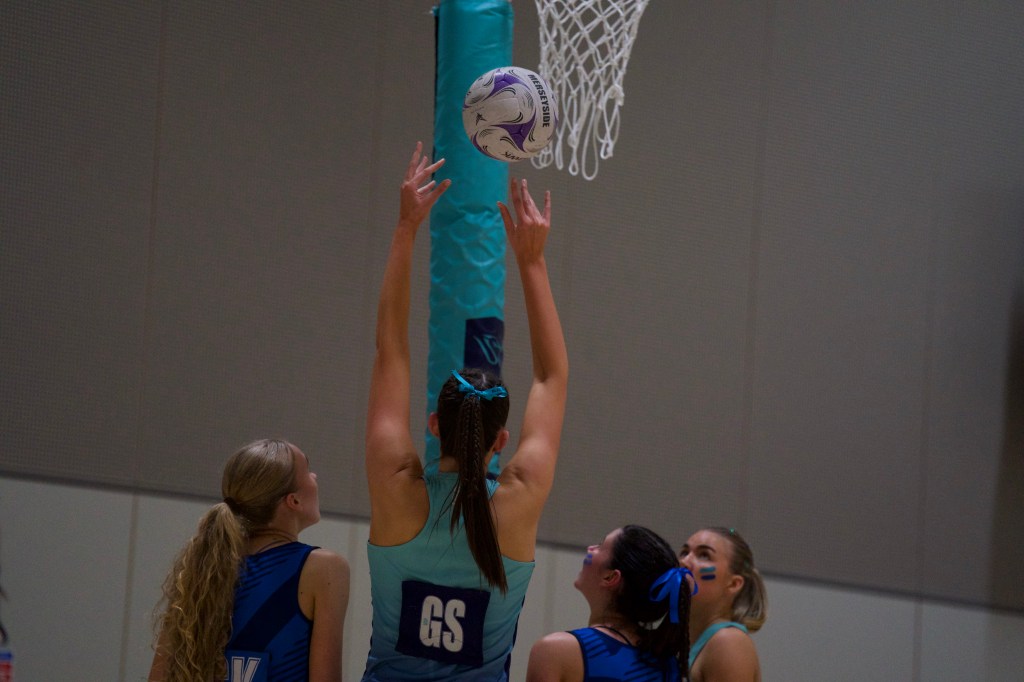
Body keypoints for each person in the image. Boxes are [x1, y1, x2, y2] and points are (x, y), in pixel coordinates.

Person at [361, 142, 569, 680]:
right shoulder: (517, 503)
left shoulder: (398, 490)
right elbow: (552, 377)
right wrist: (532, 260)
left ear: (433, 425)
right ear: (501, 442)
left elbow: (391, 350)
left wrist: (406, 229)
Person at [149, 438, 350, 682]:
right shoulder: (322, 569)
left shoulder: (201, 563)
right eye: (308, 470)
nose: (315, 476)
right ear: (294, 500)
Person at [526, 525, 694, 682]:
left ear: (610, 577)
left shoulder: (555, 651)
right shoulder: (669, 664)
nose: (590, 548)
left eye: (600, 546)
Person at [678, 527, 766, 682]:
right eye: (685, 552)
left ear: (733, 584)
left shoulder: (728, 641)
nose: (684, 562)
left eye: (704, 555)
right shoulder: (676, 641)